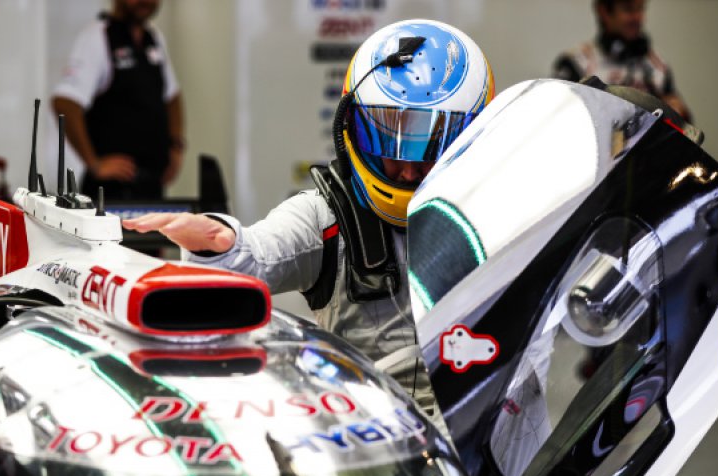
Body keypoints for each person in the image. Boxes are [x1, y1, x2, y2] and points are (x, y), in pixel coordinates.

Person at [123, 19, 495, 412]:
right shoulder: (328, 214)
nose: (407, 170)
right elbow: (258, 254)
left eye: (431, 147)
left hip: (491, 425)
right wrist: (221, 246)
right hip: (378, 429)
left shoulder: (507, 208)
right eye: (391, 141)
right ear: (350, 127)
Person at [52, 0, 184, 201]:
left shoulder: (154, 38)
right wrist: (94, 163)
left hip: (151, 188)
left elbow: (172, 96)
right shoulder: (98, 36)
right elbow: (64, 103)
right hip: (110, 194)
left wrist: (176, 146)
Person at [552, 0, 691, 122]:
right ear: (604, 11)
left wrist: (678, 114)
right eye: (628, 9)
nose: (638, 17)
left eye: (641, 8)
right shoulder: (575, 63)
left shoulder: (658, 67)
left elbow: (684, 129)